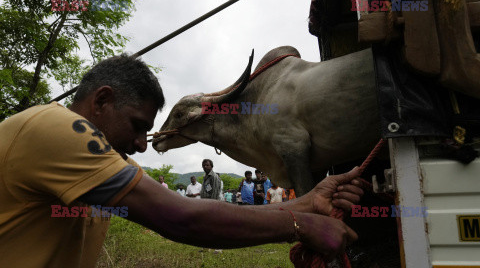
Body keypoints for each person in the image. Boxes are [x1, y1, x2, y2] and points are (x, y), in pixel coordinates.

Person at [0, 54, 365, 267]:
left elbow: (182, 210)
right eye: (138, 126)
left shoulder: (99, 161)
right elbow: (180, 217)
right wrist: (299, 225)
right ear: (101, 101)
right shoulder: (57, 127)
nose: (143, 145)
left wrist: (306, 202)